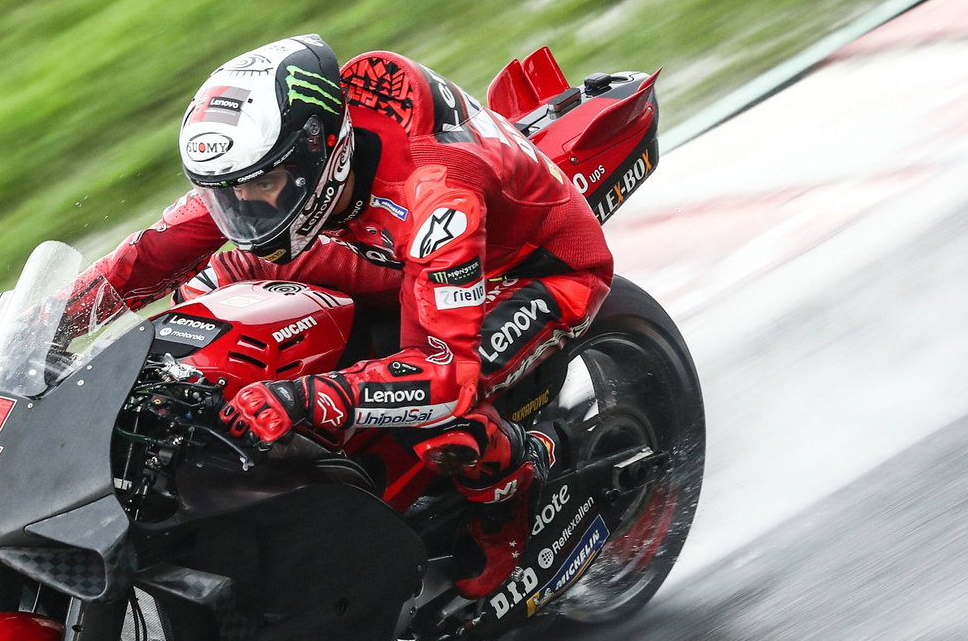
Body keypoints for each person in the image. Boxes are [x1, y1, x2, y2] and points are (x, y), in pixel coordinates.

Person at [76, 34, 613, 598]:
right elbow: (148, 258)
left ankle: (515, 496)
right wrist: (51, 325)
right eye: (225, 195)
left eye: (260, 188)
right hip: (386, 249)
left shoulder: (435, 193)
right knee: (207, 294)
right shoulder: (275, 167)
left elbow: (442, 377)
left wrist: (304, 397)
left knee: (438, 416)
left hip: (533, 270)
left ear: (320, 154)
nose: (242, 208)